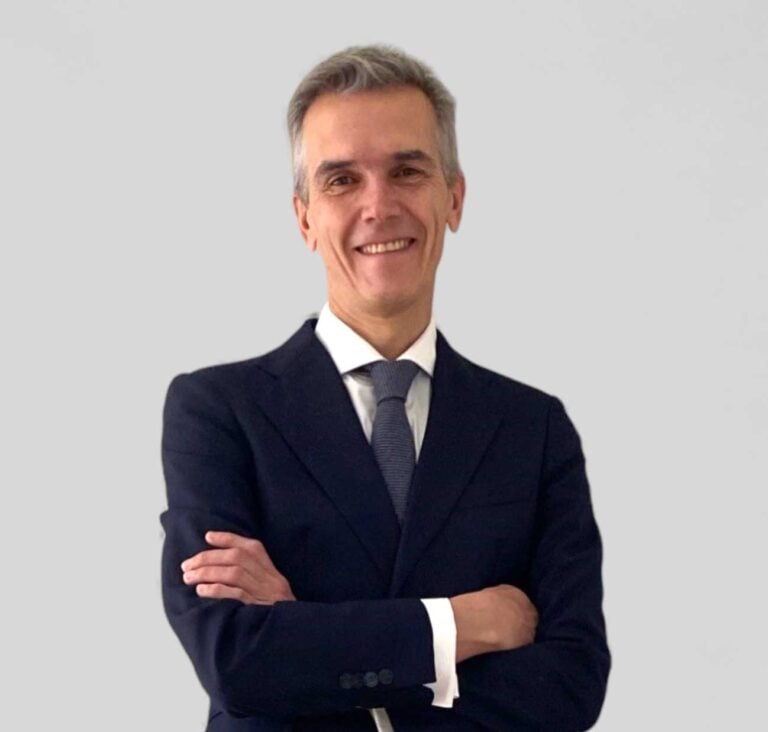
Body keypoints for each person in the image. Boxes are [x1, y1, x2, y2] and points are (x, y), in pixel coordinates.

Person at [160, 45, 610, 731]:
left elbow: (569, 689)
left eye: (407, 171)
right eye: (342, 180)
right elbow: (238, 662)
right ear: (304, 218)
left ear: (453, 198)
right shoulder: (219, 413)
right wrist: (458, 626)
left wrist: (307, 633)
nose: (379, 205)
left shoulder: (532, 429)